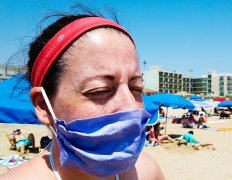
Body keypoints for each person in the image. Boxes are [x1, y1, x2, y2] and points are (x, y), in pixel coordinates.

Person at [1, 13, 164, 179]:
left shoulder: (147, 172)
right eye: (99, 90)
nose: (131, 105)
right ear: (43, 106)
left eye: (136, 88)